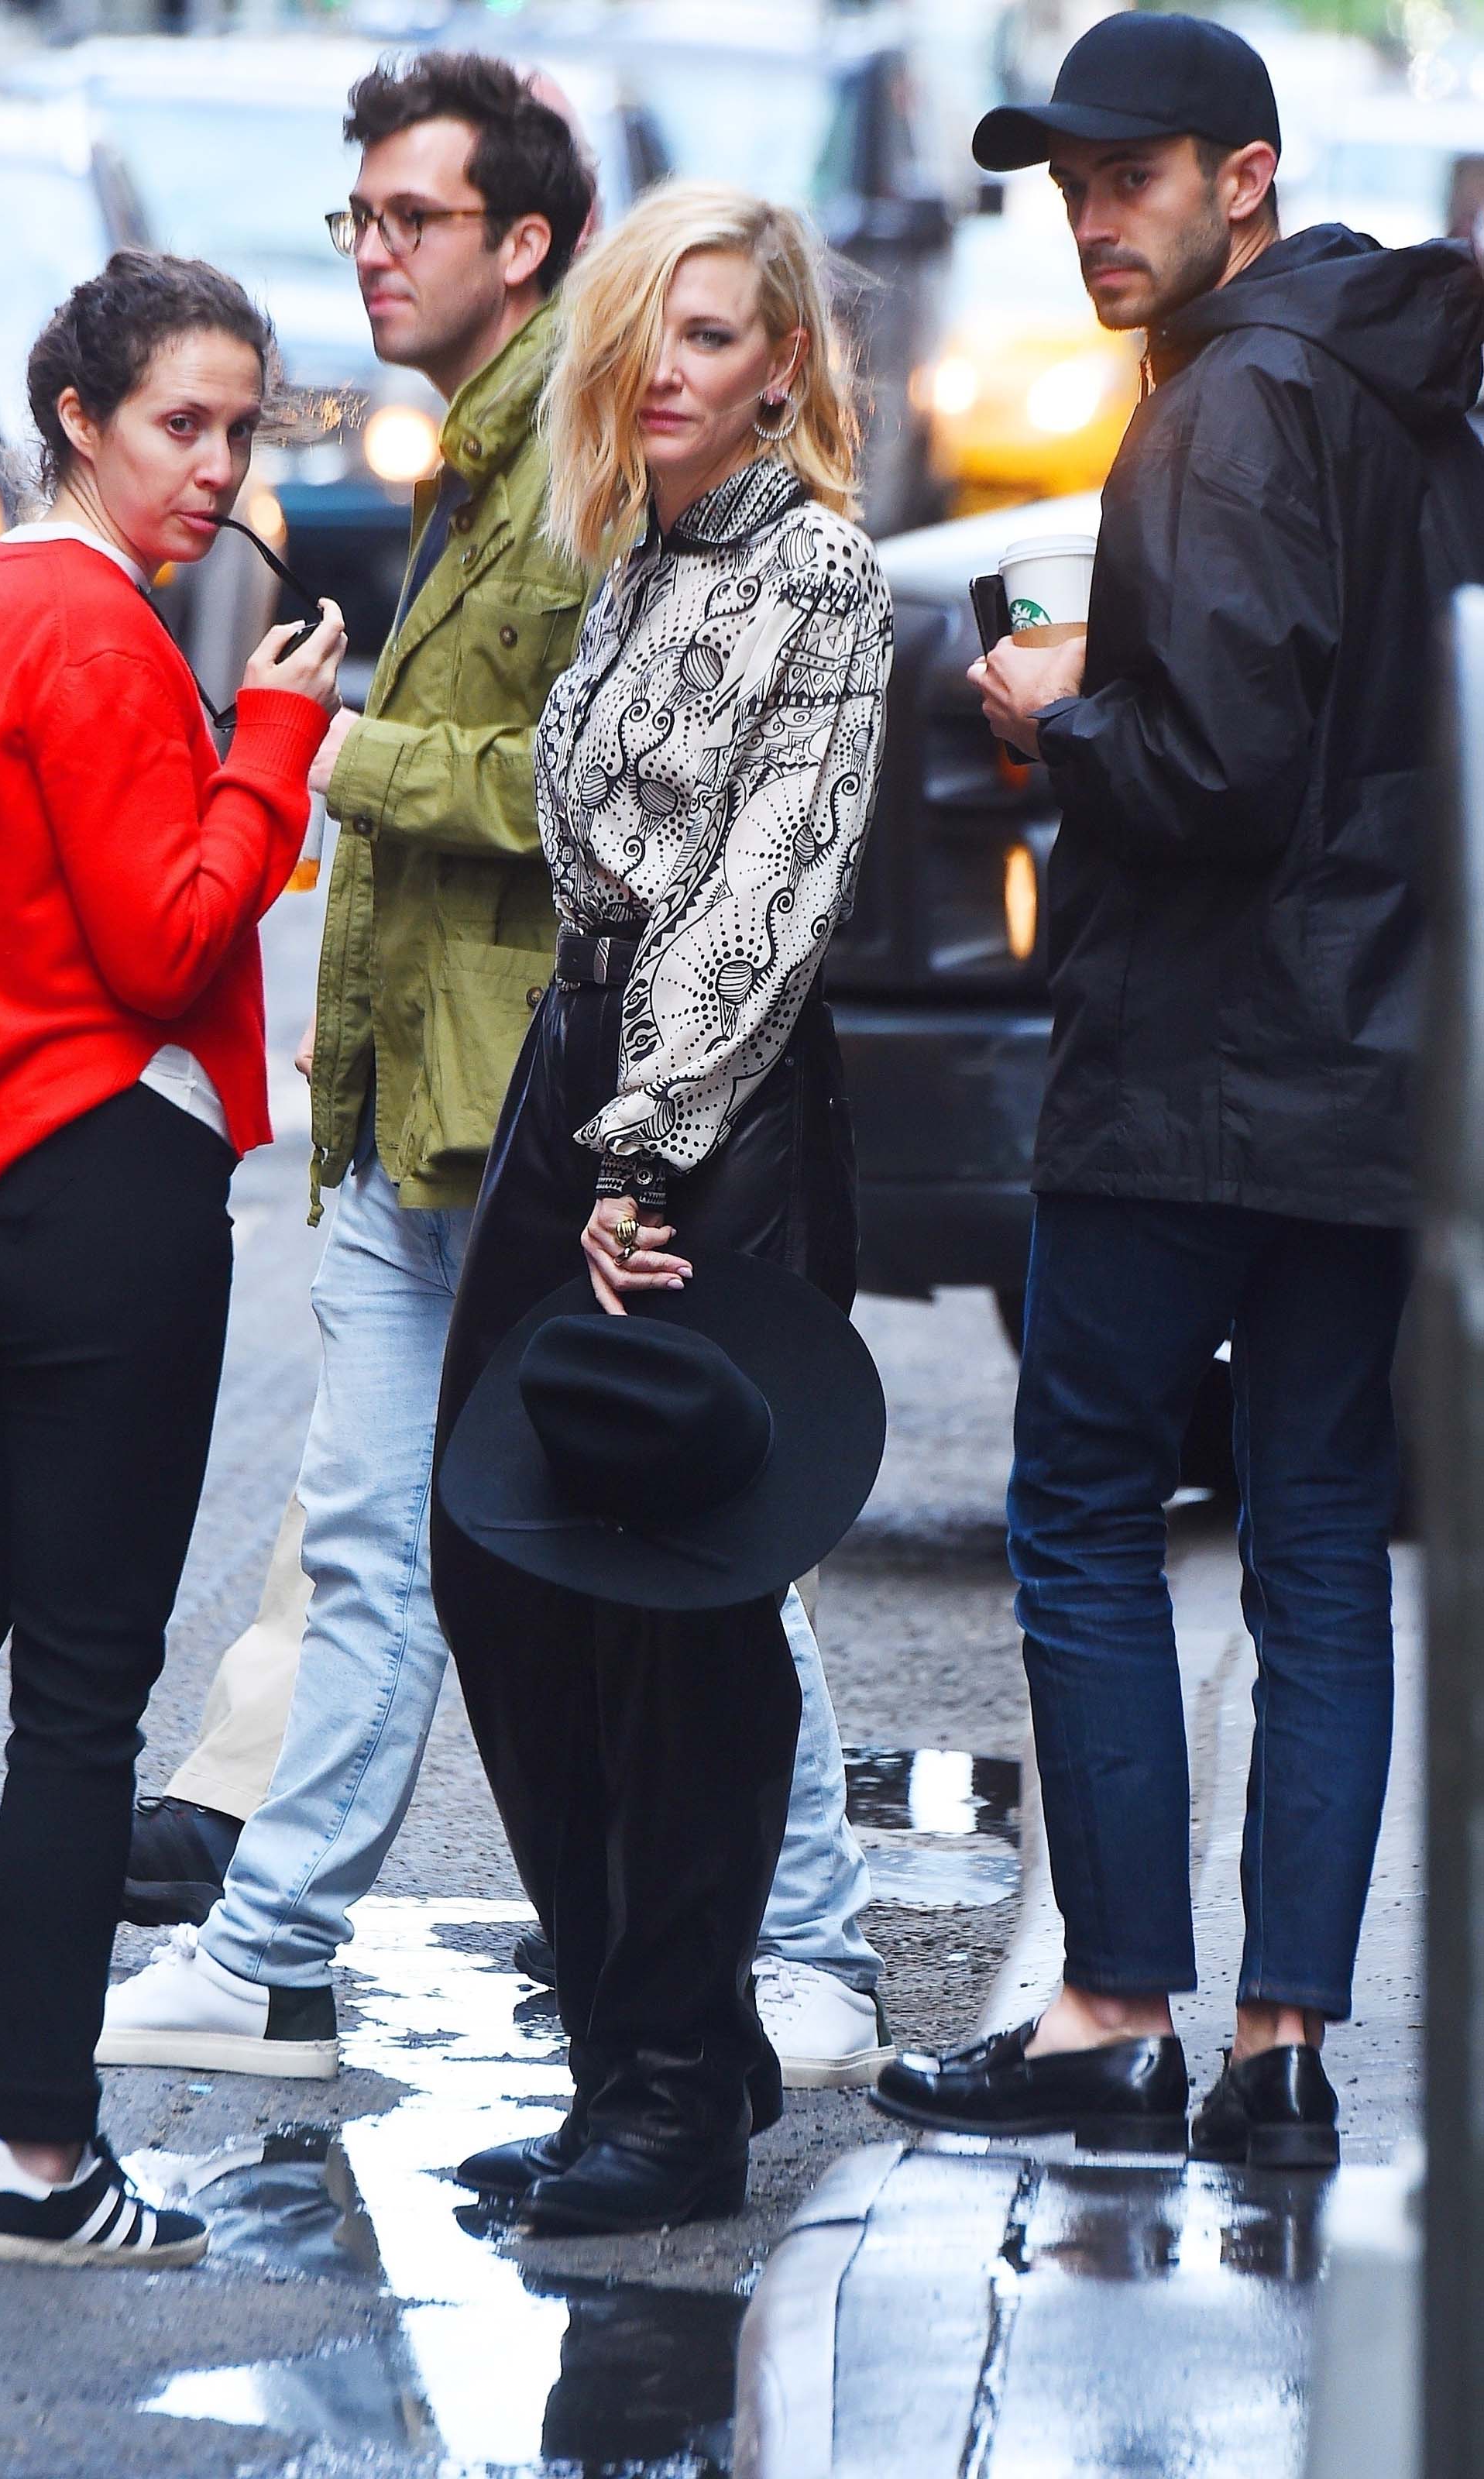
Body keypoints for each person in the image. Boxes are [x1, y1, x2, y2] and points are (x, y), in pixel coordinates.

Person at [101, 57, 890, 2097]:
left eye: (409, 220)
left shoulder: (650, 494)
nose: (366, 253)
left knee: (676, 1542)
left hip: (542, 1123)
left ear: (521, 241)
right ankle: (287, 1951)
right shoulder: (511, 458)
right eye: (353, 216)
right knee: (410, 1543)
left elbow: (664, 849)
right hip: (447, 1102)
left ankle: (792, 1956)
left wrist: (326, 758)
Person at [875, 12, 1484, 2163]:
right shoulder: (1406, 379)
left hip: (1195, 1063)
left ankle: (1116, 2011)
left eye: (1129, 180)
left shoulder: (1235, 404)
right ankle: (1283, 2052)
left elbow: (1220, 773)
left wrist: (1059, 710)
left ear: (1245, 176)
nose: (1090, 223)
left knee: (1082, 1513)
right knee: (1322, 1538)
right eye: (1068, 189)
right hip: (1373, 1066)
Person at [0, 249, 345, 2266]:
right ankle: (39, 2161)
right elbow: (169, 935)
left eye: (240, 429)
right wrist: (281, 733)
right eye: (179, 427)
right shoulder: (104, 634)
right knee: (79, 1700)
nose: (215, 469)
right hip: (93, 1199)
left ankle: (40, 2150)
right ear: (81, 417)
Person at [429, 181, 895, 2237]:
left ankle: (678, 2082)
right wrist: (580, 1127)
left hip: (713, 1113)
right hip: (578, 1069)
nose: (667, 369)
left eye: (710, 336)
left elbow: (763, 895)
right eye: (647, 335)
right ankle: (638, 2041)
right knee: (500, 1562)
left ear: (785, 362)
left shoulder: (820, 570)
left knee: (679, 1608)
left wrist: (643, 1157)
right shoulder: (633, 560)